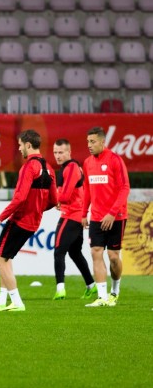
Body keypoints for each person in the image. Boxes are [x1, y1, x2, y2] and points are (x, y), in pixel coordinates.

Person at [0, 130, 58, 312]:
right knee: (6, 257)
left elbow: (19, 198)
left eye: (20, 145)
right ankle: (2, 298)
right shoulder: (49, 169)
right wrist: (36, 208)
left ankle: (17, 301)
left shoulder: (29, 167)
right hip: (34, 222)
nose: (19, 149)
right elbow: (53, 200)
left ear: (28, 145)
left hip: (20, 220)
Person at [82, 126, 130, 308]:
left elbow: (125, 188)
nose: (89, 145)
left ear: (103, 142)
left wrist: (112, 213)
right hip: (95, 217)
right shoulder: (87, 163)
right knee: (96, 252)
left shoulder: (115, 160)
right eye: (88, 142)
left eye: (93, 142)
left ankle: (115, 291)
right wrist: (83, 212)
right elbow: (87, 189)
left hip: (116, 216)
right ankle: (102, 297)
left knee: (113, 257)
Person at [51, 139, 96, 301]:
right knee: (75, 252)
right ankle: (91, 285)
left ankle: (60, 289)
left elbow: (65, 195)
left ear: (69, 152)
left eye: (61, 152)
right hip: (76, 215)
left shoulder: (70, 168)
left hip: (70, 216)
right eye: (55, 152)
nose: (57, 155)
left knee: (58, 251)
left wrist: (55, 199)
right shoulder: (70, 167)